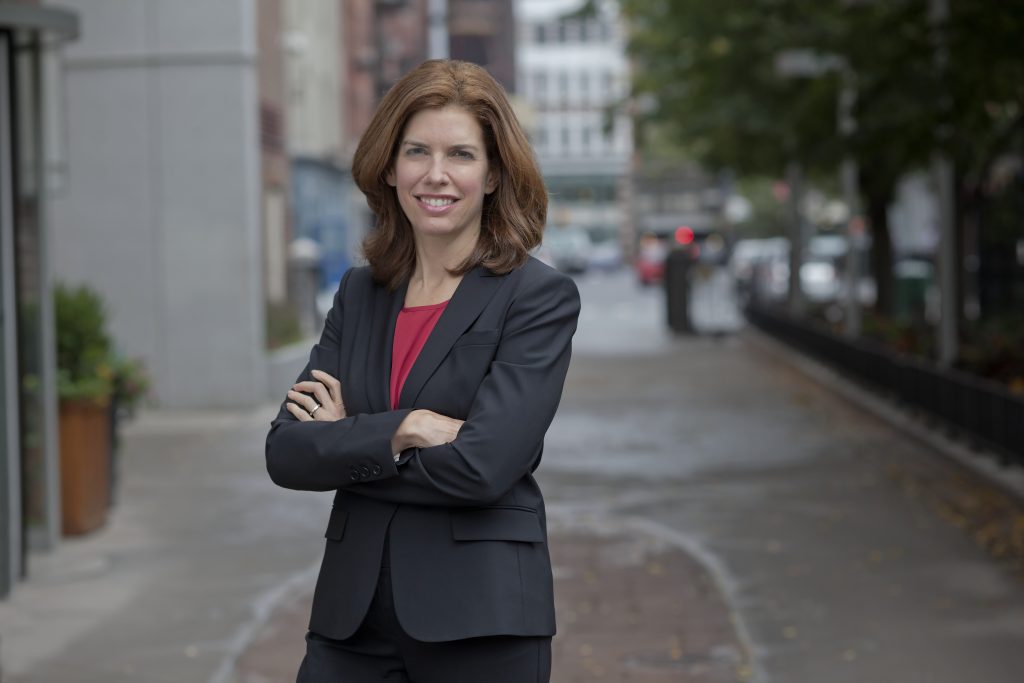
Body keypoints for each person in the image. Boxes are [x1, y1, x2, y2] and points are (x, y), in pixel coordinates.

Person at [265, 59, 580, 683]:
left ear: (493, 174)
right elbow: (287, 453)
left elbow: (485, 467)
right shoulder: (359, 294)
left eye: (461, 154)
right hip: (350, 622)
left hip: (481, 619)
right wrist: (405, 428)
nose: (437, 174)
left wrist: (351, 439)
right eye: (417, 151)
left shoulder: (535, 297)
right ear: (389, 166)